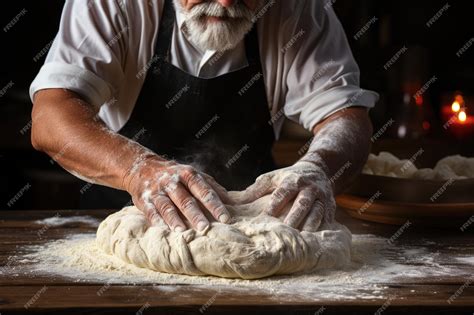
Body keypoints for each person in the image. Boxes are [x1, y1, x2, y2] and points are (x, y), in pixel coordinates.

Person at [30, 0, 378, 233]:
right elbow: (51, 116)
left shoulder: (299, 10)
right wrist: (139, 171)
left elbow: (344, 118)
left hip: (251, 232)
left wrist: (317, 170)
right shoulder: (114, 5)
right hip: (115, 221)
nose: (226, 2)